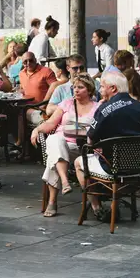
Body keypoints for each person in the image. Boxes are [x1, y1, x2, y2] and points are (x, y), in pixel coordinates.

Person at [74, 71, 140, 221]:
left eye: (102, 87)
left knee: (79, 163)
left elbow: (90, 140)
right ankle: (113, 203)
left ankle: (96, 207)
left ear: (113, 88)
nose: (100, 90)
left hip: (113, 167)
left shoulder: (105, 109)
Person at [30, 74, 100, 218]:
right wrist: (37, 129)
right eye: (74, 87)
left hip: (82, 148)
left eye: (80, 87)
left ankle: (53, 201)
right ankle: (65, 181)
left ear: (89, 90)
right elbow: (51, 123)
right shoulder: (66, 103)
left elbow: (97, 130)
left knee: (53, 157)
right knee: (55, 140)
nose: (76, 90)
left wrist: (75, 129)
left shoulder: (97, 107)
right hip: (62, 143)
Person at [19, 52, 57, 124]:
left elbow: (55, 88)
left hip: (43, 108)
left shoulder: (46, 71)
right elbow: (23, 89)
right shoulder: (21, 74)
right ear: (22, 63)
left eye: (31, 60)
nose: (28, 63)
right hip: (27, 106)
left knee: (21, 114)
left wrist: (43, 104)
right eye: (25, 62)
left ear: (35, 60)